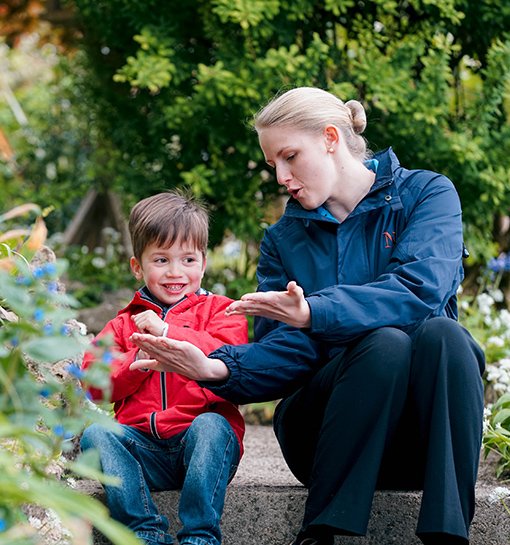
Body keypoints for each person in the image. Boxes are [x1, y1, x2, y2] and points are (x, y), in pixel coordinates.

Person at [129, 88, 485, 545]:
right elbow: (285, 352)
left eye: (290, 157)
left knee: (446, 336)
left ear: (331, 138)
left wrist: (316, 311)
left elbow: (420, 289)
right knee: (384, 345)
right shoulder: (283, 240)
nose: (281, 176)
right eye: (274, 164)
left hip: (419, 443)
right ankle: (320, 532)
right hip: (323, 437)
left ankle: (448, 536)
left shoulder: (427, 194)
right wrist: (216, 368)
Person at [80, 190, 248, 545]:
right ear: (138, 266)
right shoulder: (124, 325)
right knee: (97, 434)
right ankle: (146, 532)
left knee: (213, 424)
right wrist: (135, 362)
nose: (176, 272)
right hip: (144, 454)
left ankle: (200, 535)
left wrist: (170, 333)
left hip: (201, 450)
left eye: (188, 260)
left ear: (203, 262)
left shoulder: (222, 311)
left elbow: (231, 358)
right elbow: (93, 381)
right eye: (161, 260)